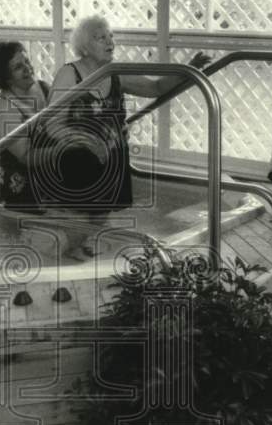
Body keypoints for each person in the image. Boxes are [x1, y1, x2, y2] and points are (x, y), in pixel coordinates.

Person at [38, 15, 210, 259]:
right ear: (85, 47)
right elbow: (51, 122)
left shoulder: (115, 73)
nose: (110, 41)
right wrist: (80, 139)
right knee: (79, 210)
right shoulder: (70, 75)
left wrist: (187, 69)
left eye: (110, 35)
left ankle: (81, 243)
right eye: (101, 38)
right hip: (77, 156)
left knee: (101, 207)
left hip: (111, 157)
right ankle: (66, 249)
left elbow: (156, 87)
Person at [0, 41, 50, 210]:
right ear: (6, 77)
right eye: (18, 67)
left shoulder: (42, 88)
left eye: (27, 62)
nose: (28, 68)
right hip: (14, 185)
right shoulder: (2, 108)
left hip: (45, 177)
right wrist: (64, 150)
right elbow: (26, 156)